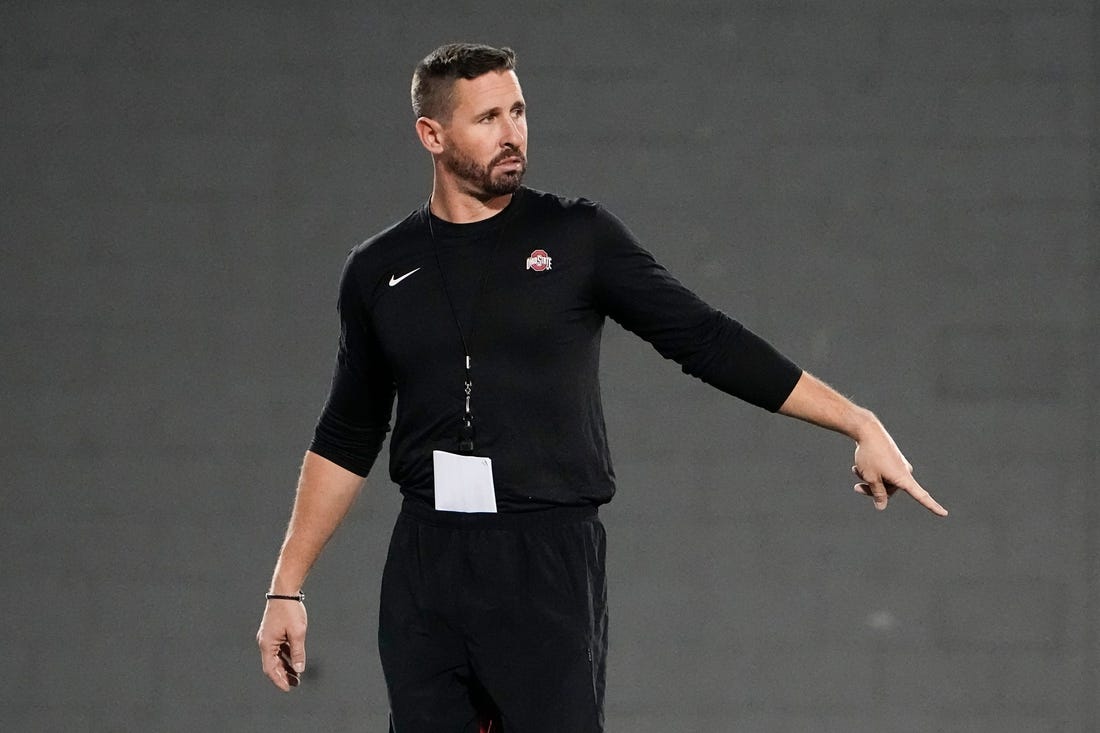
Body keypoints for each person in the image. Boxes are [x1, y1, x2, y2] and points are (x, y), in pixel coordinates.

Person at [256, 42, 947, 733]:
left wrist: (857, 421)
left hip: (546, 556)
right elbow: (348, 433)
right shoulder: (378, 269)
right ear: (431, 135)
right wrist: (287, 583)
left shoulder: (576, 237)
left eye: (519, 111)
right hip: (428, 559)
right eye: (488, 117)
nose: (513, 132)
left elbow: (706, 339)